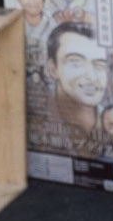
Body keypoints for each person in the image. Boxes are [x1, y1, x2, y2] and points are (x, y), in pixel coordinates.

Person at [32, 22, 109, 154]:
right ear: (52, 68)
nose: (91, 76)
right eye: (75, 62)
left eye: (99, 65)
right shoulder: (35, 121)